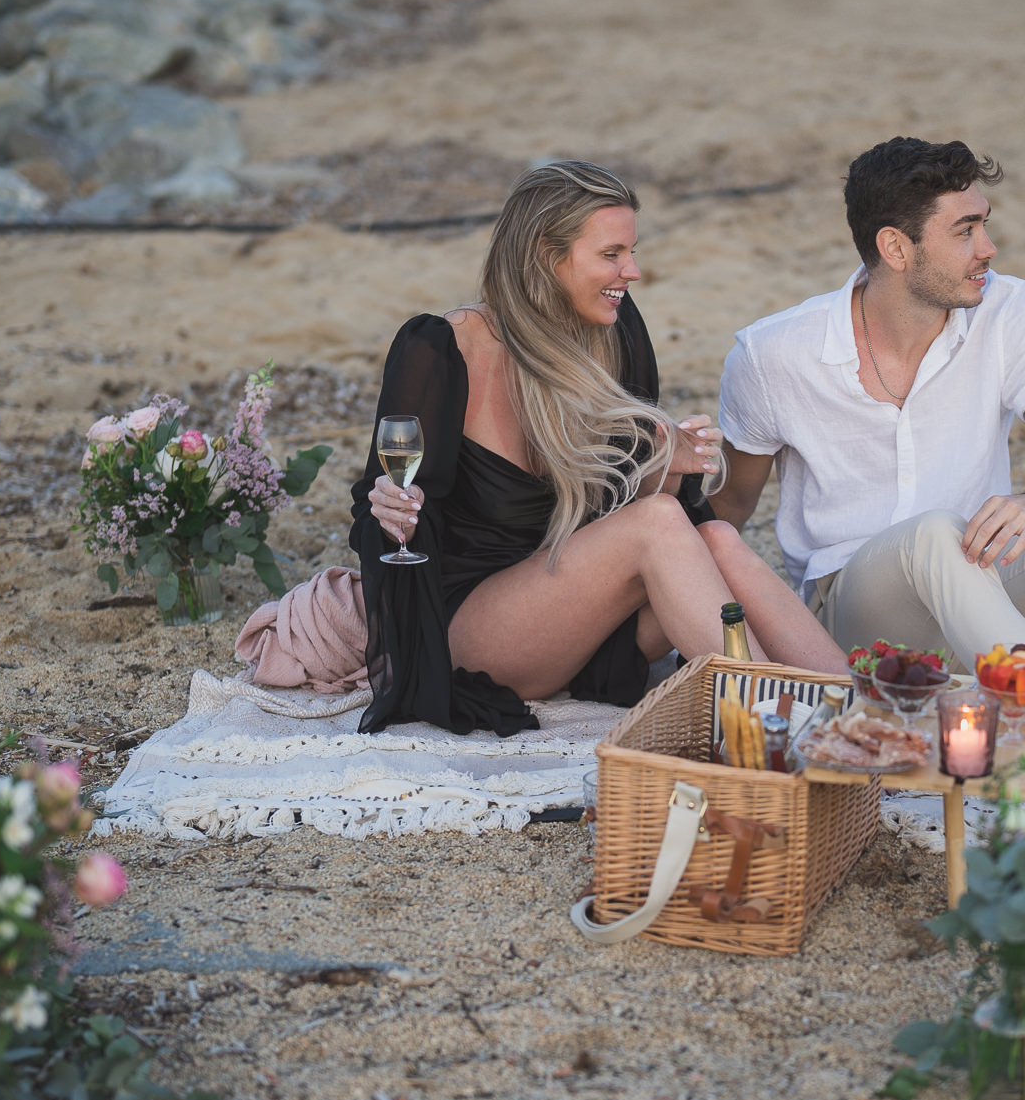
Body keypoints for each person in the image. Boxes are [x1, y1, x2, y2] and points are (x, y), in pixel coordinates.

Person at [712, 137, 1025, 839]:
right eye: (966, 230)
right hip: (861, 626)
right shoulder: (772, 355)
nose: (990, 247)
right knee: (935, 534)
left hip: (988, 597)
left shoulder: (1006, 309)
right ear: (896, 248)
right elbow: (728, 509)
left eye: (985, 223)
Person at [349, 160, 846, 736]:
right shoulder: (442, 349)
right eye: (611, 254)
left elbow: (619, 512)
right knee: (658, 525)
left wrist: (667, 463)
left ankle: (857, 710)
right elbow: (381, 507)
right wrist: (387, 509)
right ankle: (776, 730)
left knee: (717, 537)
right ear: (544, 255)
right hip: (481, 629)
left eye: (631, 252)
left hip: (591, 620)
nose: (632, 271)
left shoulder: (614, 329)